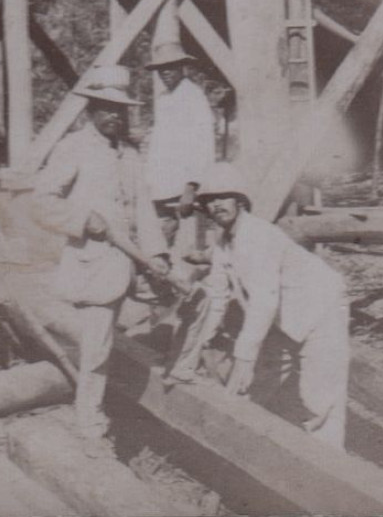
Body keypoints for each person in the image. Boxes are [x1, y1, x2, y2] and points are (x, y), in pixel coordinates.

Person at [29, 65, 168, 445]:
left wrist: (157, 254)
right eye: (106, 108)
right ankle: (89, 421)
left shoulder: (128, 152)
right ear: (90, 108)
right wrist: (80, 219)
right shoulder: (73, 148)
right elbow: (40, 202)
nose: (114, 116)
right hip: (94, 263)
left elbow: (143, 207)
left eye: (120, 110)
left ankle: (118, 406)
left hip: (131, 265)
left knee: (126, 338)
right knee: (96, 348)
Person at [168, 162, 350, 447]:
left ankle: (327, 471)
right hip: (285, 315)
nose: (218, 205)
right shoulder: (224, 240)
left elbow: (264, 300)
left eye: (224, 197)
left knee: (319, 399)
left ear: (240, 201)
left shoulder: (257, 236)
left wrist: (244, 355)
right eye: (210, 201)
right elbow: (216, 298)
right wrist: (191, 353)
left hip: (320, 310)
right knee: (254, 382)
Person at [140, 40, 217, 263]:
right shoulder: (164, 99)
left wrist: (191, 186)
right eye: (160, 69)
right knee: (161, 239)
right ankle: (163, 282)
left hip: (184, 186)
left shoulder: (193, 96)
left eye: (170, 67)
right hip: (161, 183)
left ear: (182, 67)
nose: (165, 72)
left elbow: (203, 144)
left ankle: (191, 286)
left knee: (191, 243)